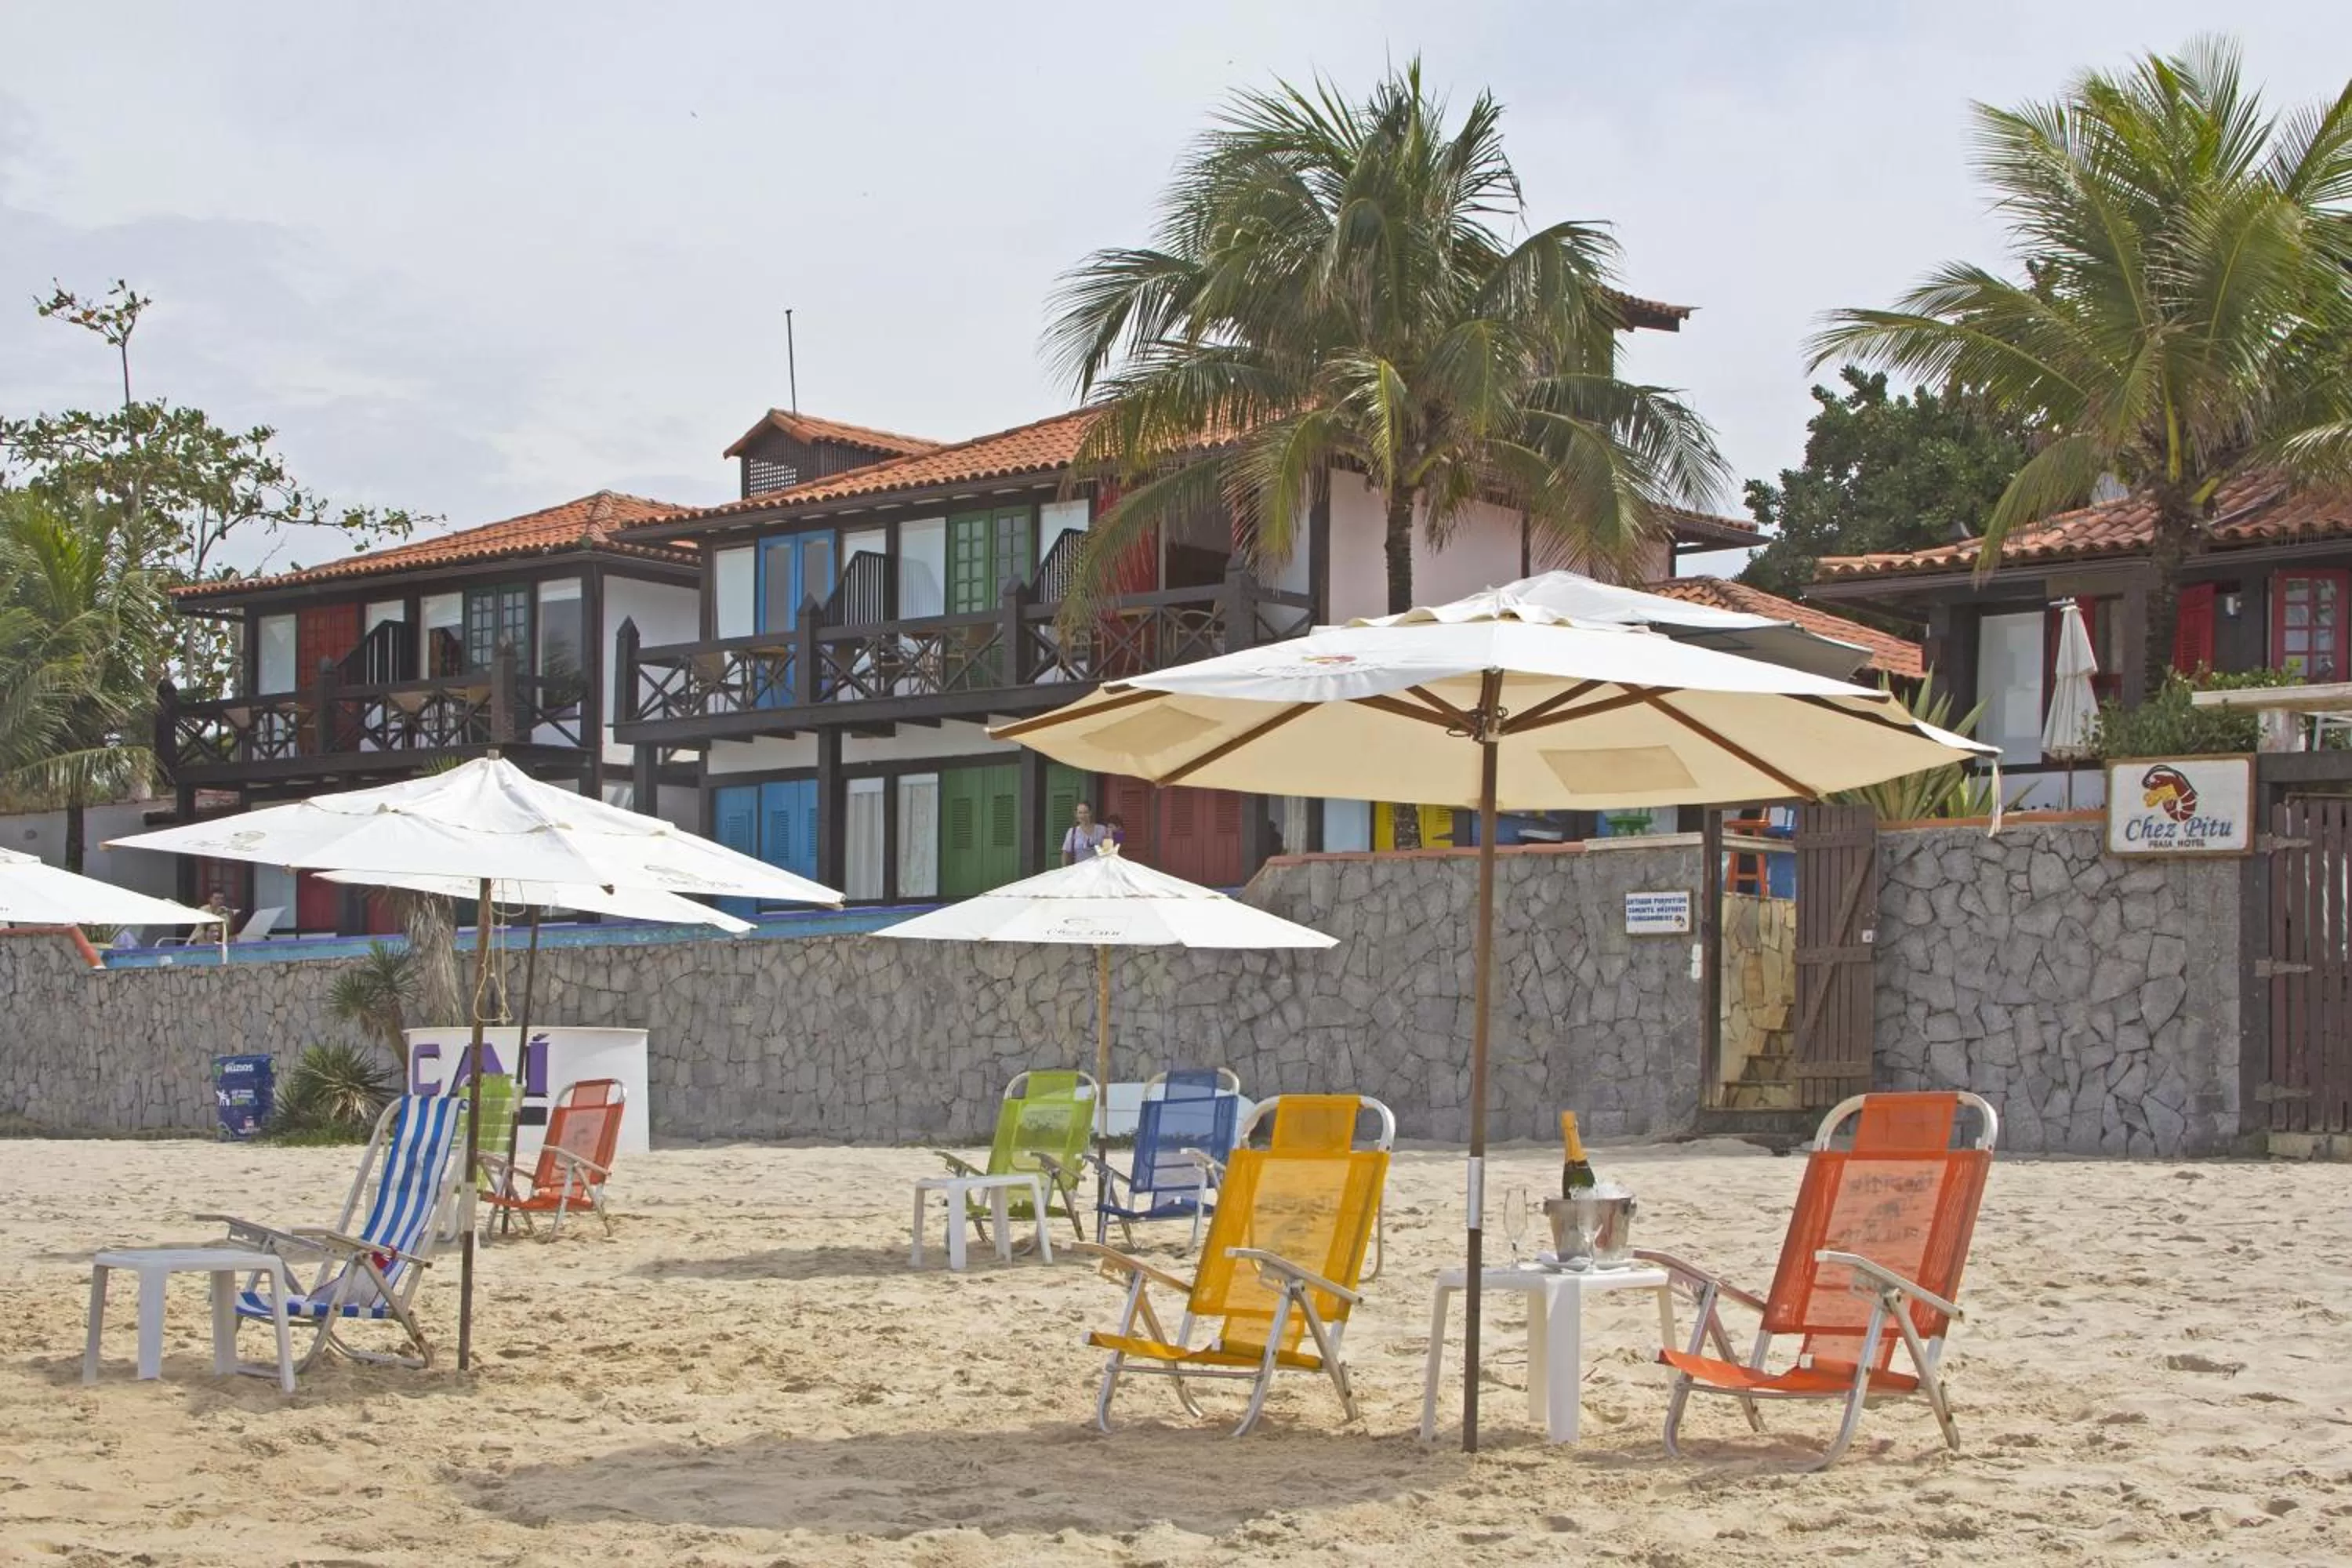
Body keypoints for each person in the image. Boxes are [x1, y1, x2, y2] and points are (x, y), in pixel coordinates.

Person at [1060, 801, 1105, 865]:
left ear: (1090, 813)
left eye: (1086, 812)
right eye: (1080, 813)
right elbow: (1065, 853)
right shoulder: (1072, 832)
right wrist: (1064, 870)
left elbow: (1109, 851)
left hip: (1098, 870)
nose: (1083, 816)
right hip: (1079, 871)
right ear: (1076, 815)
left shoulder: (1101, 829)